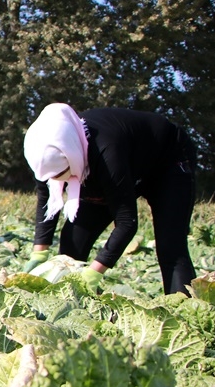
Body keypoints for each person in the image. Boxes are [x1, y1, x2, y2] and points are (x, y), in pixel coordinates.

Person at [21, 102, 197, 295]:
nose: (57, 181)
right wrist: (39, 253)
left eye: (62, 174)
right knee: (72, 242)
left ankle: (182, 314)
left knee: (170, 248)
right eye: (51, 177)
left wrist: (93, 274)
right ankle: (70, 309)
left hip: (168, 163)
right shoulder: (46, 158)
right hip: (113, 168)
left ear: (73, 156)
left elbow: (126, 222)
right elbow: (47, 203)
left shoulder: (107, 153)